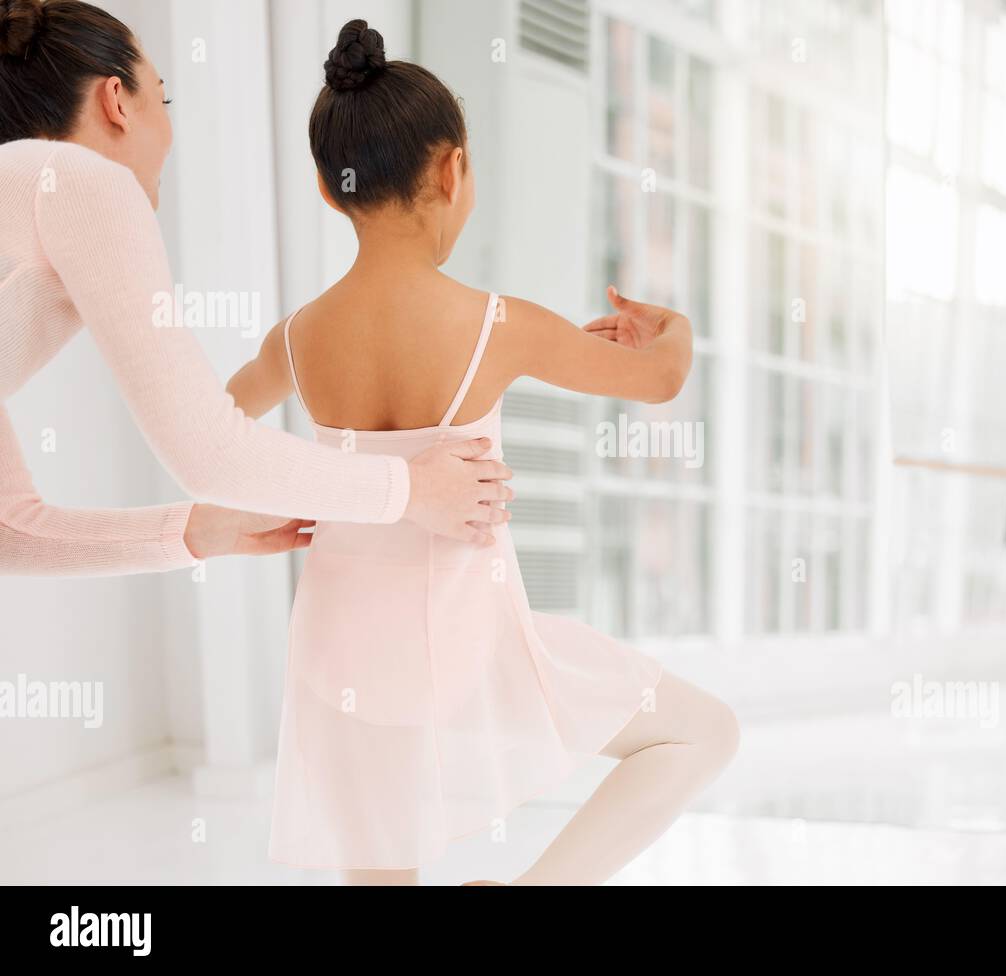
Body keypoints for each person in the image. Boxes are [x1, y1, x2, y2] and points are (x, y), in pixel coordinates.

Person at [225, 20, 739, 886]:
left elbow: (213, 432)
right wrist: (674, 329)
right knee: (702, 730)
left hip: (341, 662)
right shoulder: (499, 326)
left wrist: (318, 485)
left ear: (327, 189)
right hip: (469, 653)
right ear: (453, 171)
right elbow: (657, 380)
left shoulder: (296, 339)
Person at [0, 0, 511, 578]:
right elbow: (209, 451)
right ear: (116, 100)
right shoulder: (84, 184)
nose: (168, 129)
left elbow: (9, 532)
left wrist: (196, 533)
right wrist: (410, 489)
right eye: (162, 97)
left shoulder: (37, 209)